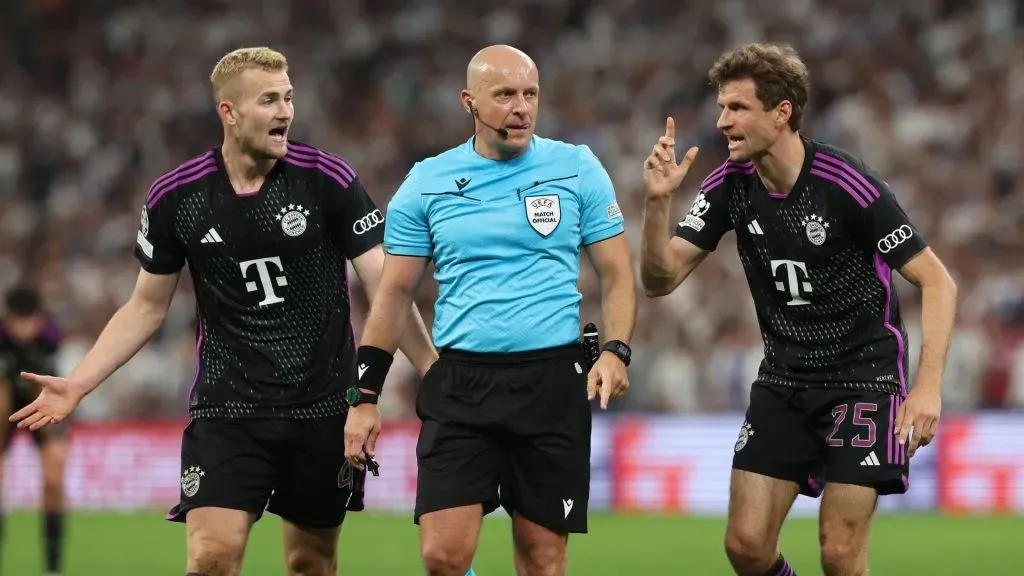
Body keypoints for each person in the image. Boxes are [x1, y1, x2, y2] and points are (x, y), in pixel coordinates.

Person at [9, 47, 438, 576]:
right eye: (269, 100)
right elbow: (145, 307)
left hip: (323, 412)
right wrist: (79, 383)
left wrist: (433, 372)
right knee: (211, 557)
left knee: (311, 564)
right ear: (229, 113)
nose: (285, 112)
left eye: (288, 98)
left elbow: (386, 288)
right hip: (227, 411)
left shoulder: (326, 179)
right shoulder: (177, 196)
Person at [639, 43, 957, 576]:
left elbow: (938, 281)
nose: (722, 122)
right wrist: (655, 205)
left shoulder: (843, 183)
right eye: (721, 108)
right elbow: (660, 278)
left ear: (781, 112)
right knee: (745, 546)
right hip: (784, 380)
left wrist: (926, 387)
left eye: (737, 108)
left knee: (838, 551)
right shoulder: (729, 185)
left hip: (865, 379)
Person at [343, 45, 637, 576]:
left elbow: (616, 272)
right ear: (469, 102)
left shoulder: (576, 168)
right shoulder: (427, 181)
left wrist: (616, 351)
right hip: (462, 384)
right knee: (442, 557)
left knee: (543, 558)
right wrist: (365, 395)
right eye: (504, 95)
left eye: (530, 95)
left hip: (551, 383)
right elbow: (392, 294)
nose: (520, 107)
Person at [0, 285, 69, 576]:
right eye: (19, 321)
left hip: (41, 402)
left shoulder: (50, 335)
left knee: (54, 477)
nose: (25, 329)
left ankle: (52, 568)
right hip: (5, 402)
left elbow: (49, 387)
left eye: (31, 321)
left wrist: (47, 431)